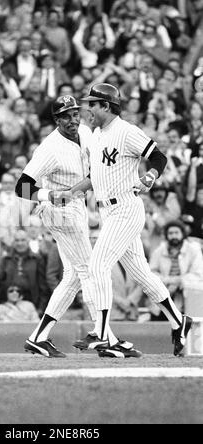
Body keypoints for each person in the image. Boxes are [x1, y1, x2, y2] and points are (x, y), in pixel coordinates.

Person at [72, 83, 193, 358]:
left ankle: (102, 334)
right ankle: (178, 320)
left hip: (126, 209)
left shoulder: (126, 131)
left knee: (97, 265)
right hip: (108, 212)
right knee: (142, 274)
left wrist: (150, 176)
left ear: (106, 106)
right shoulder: (97, 134)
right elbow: (95, 178)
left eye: (93, 104)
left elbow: (158, 157)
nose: (88, 108)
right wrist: (68, 193)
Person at [16, 95, 133, 359]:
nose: (73, 119)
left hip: (76, 205)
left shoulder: (85, 132)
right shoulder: (49, 147)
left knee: (72, 277)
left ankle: (38, 337)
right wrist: (48, 195)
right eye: (66, 116)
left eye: (75, 113)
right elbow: (21, 186)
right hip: (58, 210)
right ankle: (106, 337)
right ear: (56, 120)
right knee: (89, 270)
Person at [149, 220, 203, 319]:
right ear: (166, 235)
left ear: (183, 233)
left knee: (184, 329)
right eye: (170, 233)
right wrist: (169, 282)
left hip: (187, 298)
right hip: (163, 295)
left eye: (176, 233)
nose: (174, 236)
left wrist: (179, 282)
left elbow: (198, 274)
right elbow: (151, 273)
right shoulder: (159, 251)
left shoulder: (193, 250)